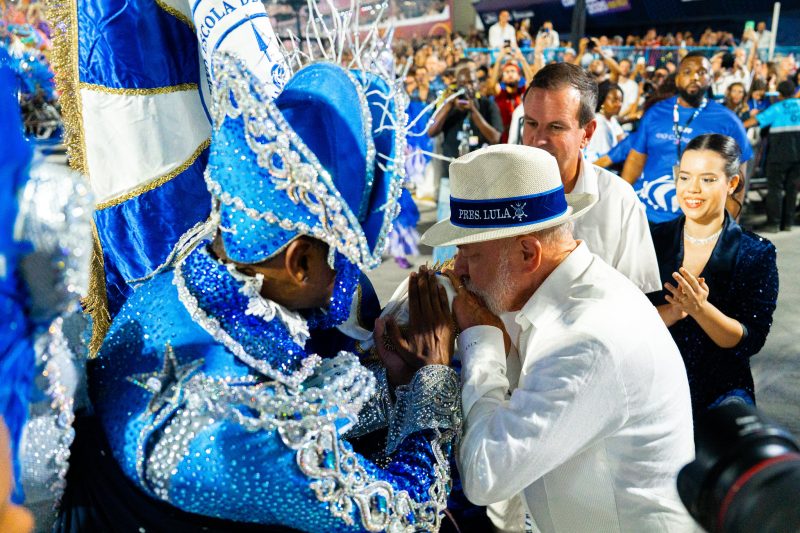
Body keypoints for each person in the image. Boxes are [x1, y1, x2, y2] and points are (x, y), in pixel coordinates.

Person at [55, 54, 462, 532]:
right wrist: (432, 381)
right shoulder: (243, 426)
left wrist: (392, 386)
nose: (349, 280)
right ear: (299, 262)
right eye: (343, 259)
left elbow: (301, 410)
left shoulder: (184, 280)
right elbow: (407, 515)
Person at [418, 144, 695, 533]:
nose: (458, 268)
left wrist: (482, 339)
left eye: (470, 254)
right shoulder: (566, 294)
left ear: (527, 254)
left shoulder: (586, 338)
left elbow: (485, 475)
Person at [649, 134, 778, 421]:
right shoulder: (651, 239)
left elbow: (750, 340)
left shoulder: (756, 252)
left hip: (721, 395)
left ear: (732, 183)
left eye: (707, 179)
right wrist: (672, 311)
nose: (692, 189)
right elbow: (629, 319)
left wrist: (700, 309)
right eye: (685, 177)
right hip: (653, 389)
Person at [522, 63, 661, 293]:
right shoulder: (498, 190)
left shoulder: (619, 200)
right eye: (531, 123)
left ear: (587, 134)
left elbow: (638, 298)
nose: (538, 140)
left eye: (555, 127)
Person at [622, 52, 753, 223]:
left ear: (711, 79)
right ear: (677, 79)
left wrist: (729, 227)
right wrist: (621, 203)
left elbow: (737, 181)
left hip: (697, 221)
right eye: (687, 72)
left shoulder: (729, 122)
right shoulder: (656, 113)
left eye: (701, 72)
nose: (694, 77)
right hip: (647, 215)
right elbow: (635, 161)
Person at [428, 63, 502, 263]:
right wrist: (448, 105)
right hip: (451, 179)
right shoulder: (448, 106)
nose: (468, 86)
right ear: (456, 85)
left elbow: (495, 137)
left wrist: (474, 111)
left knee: (476, 232)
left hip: (480, 180)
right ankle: (442, 272)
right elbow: (431, 130)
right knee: (447, 231)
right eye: (463, 83)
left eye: (472, 81)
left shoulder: (486, 105)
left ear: (478, 83)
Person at [743, 79, 800, 232]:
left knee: (775, 189)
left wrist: (738, 125)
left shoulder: (777, 108)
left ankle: (774, 223)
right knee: (792, 188)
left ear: (780, 94)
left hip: (779, 155)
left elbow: (755, 121)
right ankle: (787, 223)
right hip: (798, 156)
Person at [486, 47, 534, 143]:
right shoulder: (499, 92)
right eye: (507, 72)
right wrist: (499, 59)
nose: (510, 74)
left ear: (519, 76)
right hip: (501, 139)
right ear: (502, 77)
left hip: (520, 139)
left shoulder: (524, 92)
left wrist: (522, 59)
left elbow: (533, 83)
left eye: (513, 71)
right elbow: (491, 85)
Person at [585, 81, 626, 163]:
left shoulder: (611, 120)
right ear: (602, 101)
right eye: (614, 100)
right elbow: (605, 160)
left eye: (621, 100)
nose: (619, 104)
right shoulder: (600, 125)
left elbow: (621, 139)